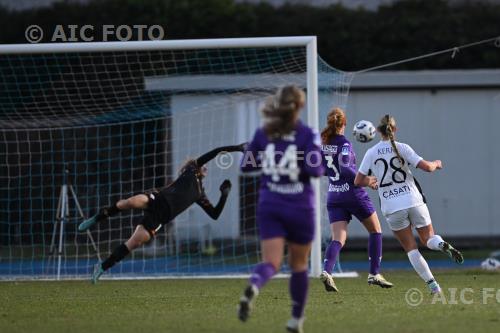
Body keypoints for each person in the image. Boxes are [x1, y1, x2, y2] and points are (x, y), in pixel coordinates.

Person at [78, 143, 245, 283]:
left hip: (161, 217)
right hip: (157, 198)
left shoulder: (200, 195)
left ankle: (101, 267)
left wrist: (224, 195)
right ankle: (96, 219)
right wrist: (238, 148)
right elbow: (216, 152)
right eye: (204, 165)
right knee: (128, 202)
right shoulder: (192, 170)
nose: (206, 167)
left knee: (133, 243)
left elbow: (214, 214)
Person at [237, 85, 324, 333]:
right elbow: (315, 170)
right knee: (298, 265)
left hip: (270, 204)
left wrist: (262, 152)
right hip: (300, 207)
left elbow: (246, 166)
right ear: (299, 106)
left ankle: (254, 284)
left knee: (271, 263)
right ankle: (296, 321)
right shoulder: (307, 134)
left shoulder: (264, 133)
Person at [354, 114, 463, 294]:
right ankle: (441, 244)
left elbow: (358, 181)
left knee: (411, 248)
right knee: (428, 238)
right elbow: (427, 167)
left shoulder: (371, 152)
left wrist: (371, 182)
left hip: (391, 206)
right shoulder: (402, 147)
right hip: (413, 200)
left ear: (378, 131)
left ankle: (433, 286)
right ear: (394, 130)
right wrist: (436, 163)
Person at [320, 108, 393, 292]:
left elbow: (321, 169)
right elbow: (345, 167)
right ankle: (374, 273)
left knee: (338, 238)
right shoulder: (344, 144)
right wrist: (366, 180)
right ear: (344, 125)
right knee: (375, 230)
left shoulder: (324, 144)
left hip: (333, 194)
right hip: (352, 193)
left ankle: (327, 271)